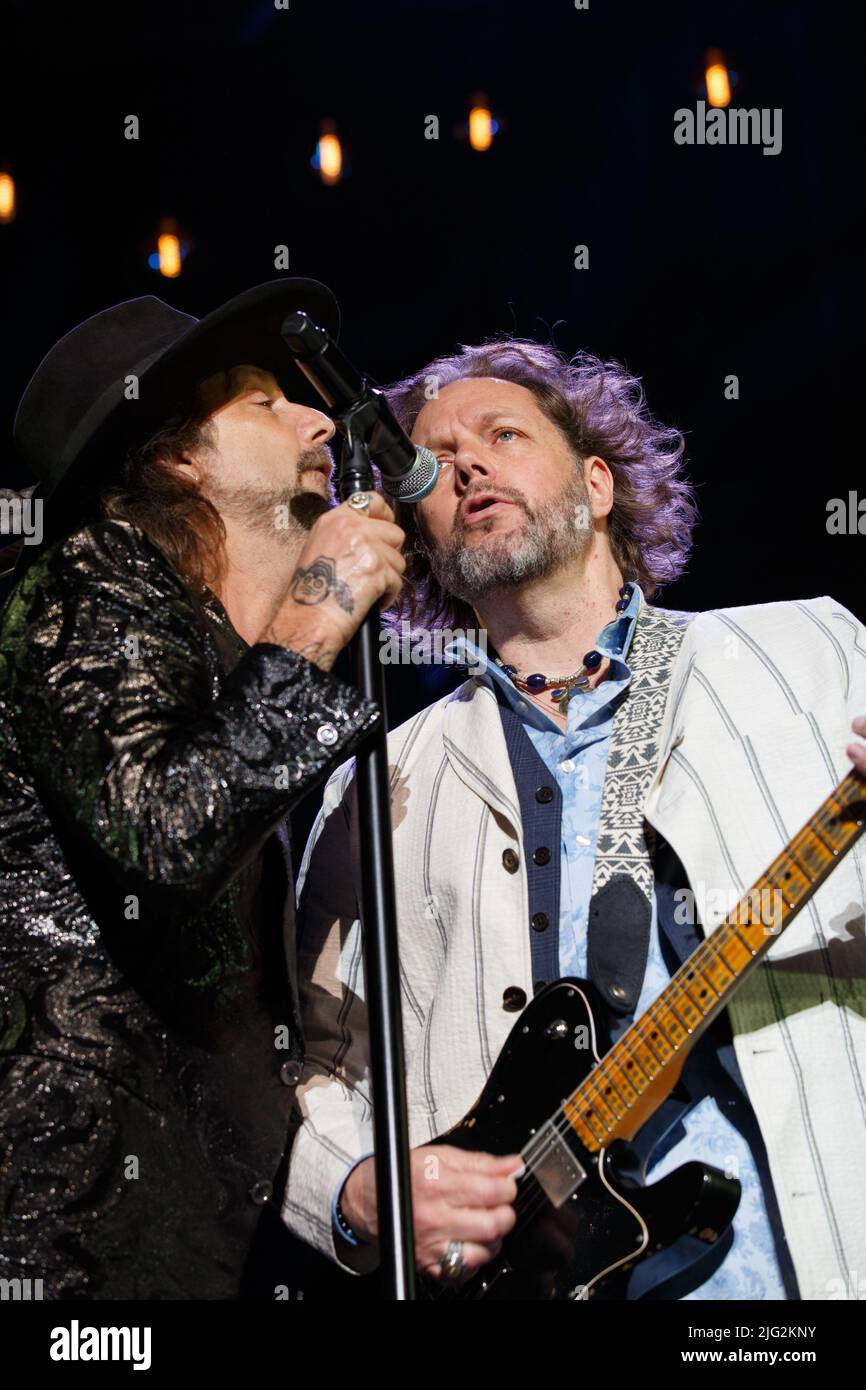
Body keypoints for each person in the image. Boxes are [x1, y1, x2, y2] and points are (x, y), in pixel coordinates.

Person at [282, 338, 866, 1300]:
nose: (466, 462)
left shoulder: (808, 651)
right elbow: (320, 1066)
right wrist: (356, 1190)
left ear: (598, 484)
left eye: (502, 433)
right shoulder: (375, 783)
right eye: (435, 459)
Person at [0, 279, 406, 1299]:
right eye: (267, 403)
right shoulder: (93, 576)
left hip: (178, 1241)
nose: (321, 420)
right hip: (63, 1235)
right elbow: (166, 831)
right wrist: (320, 613)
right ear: (179, 455)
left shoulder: (220, 665)